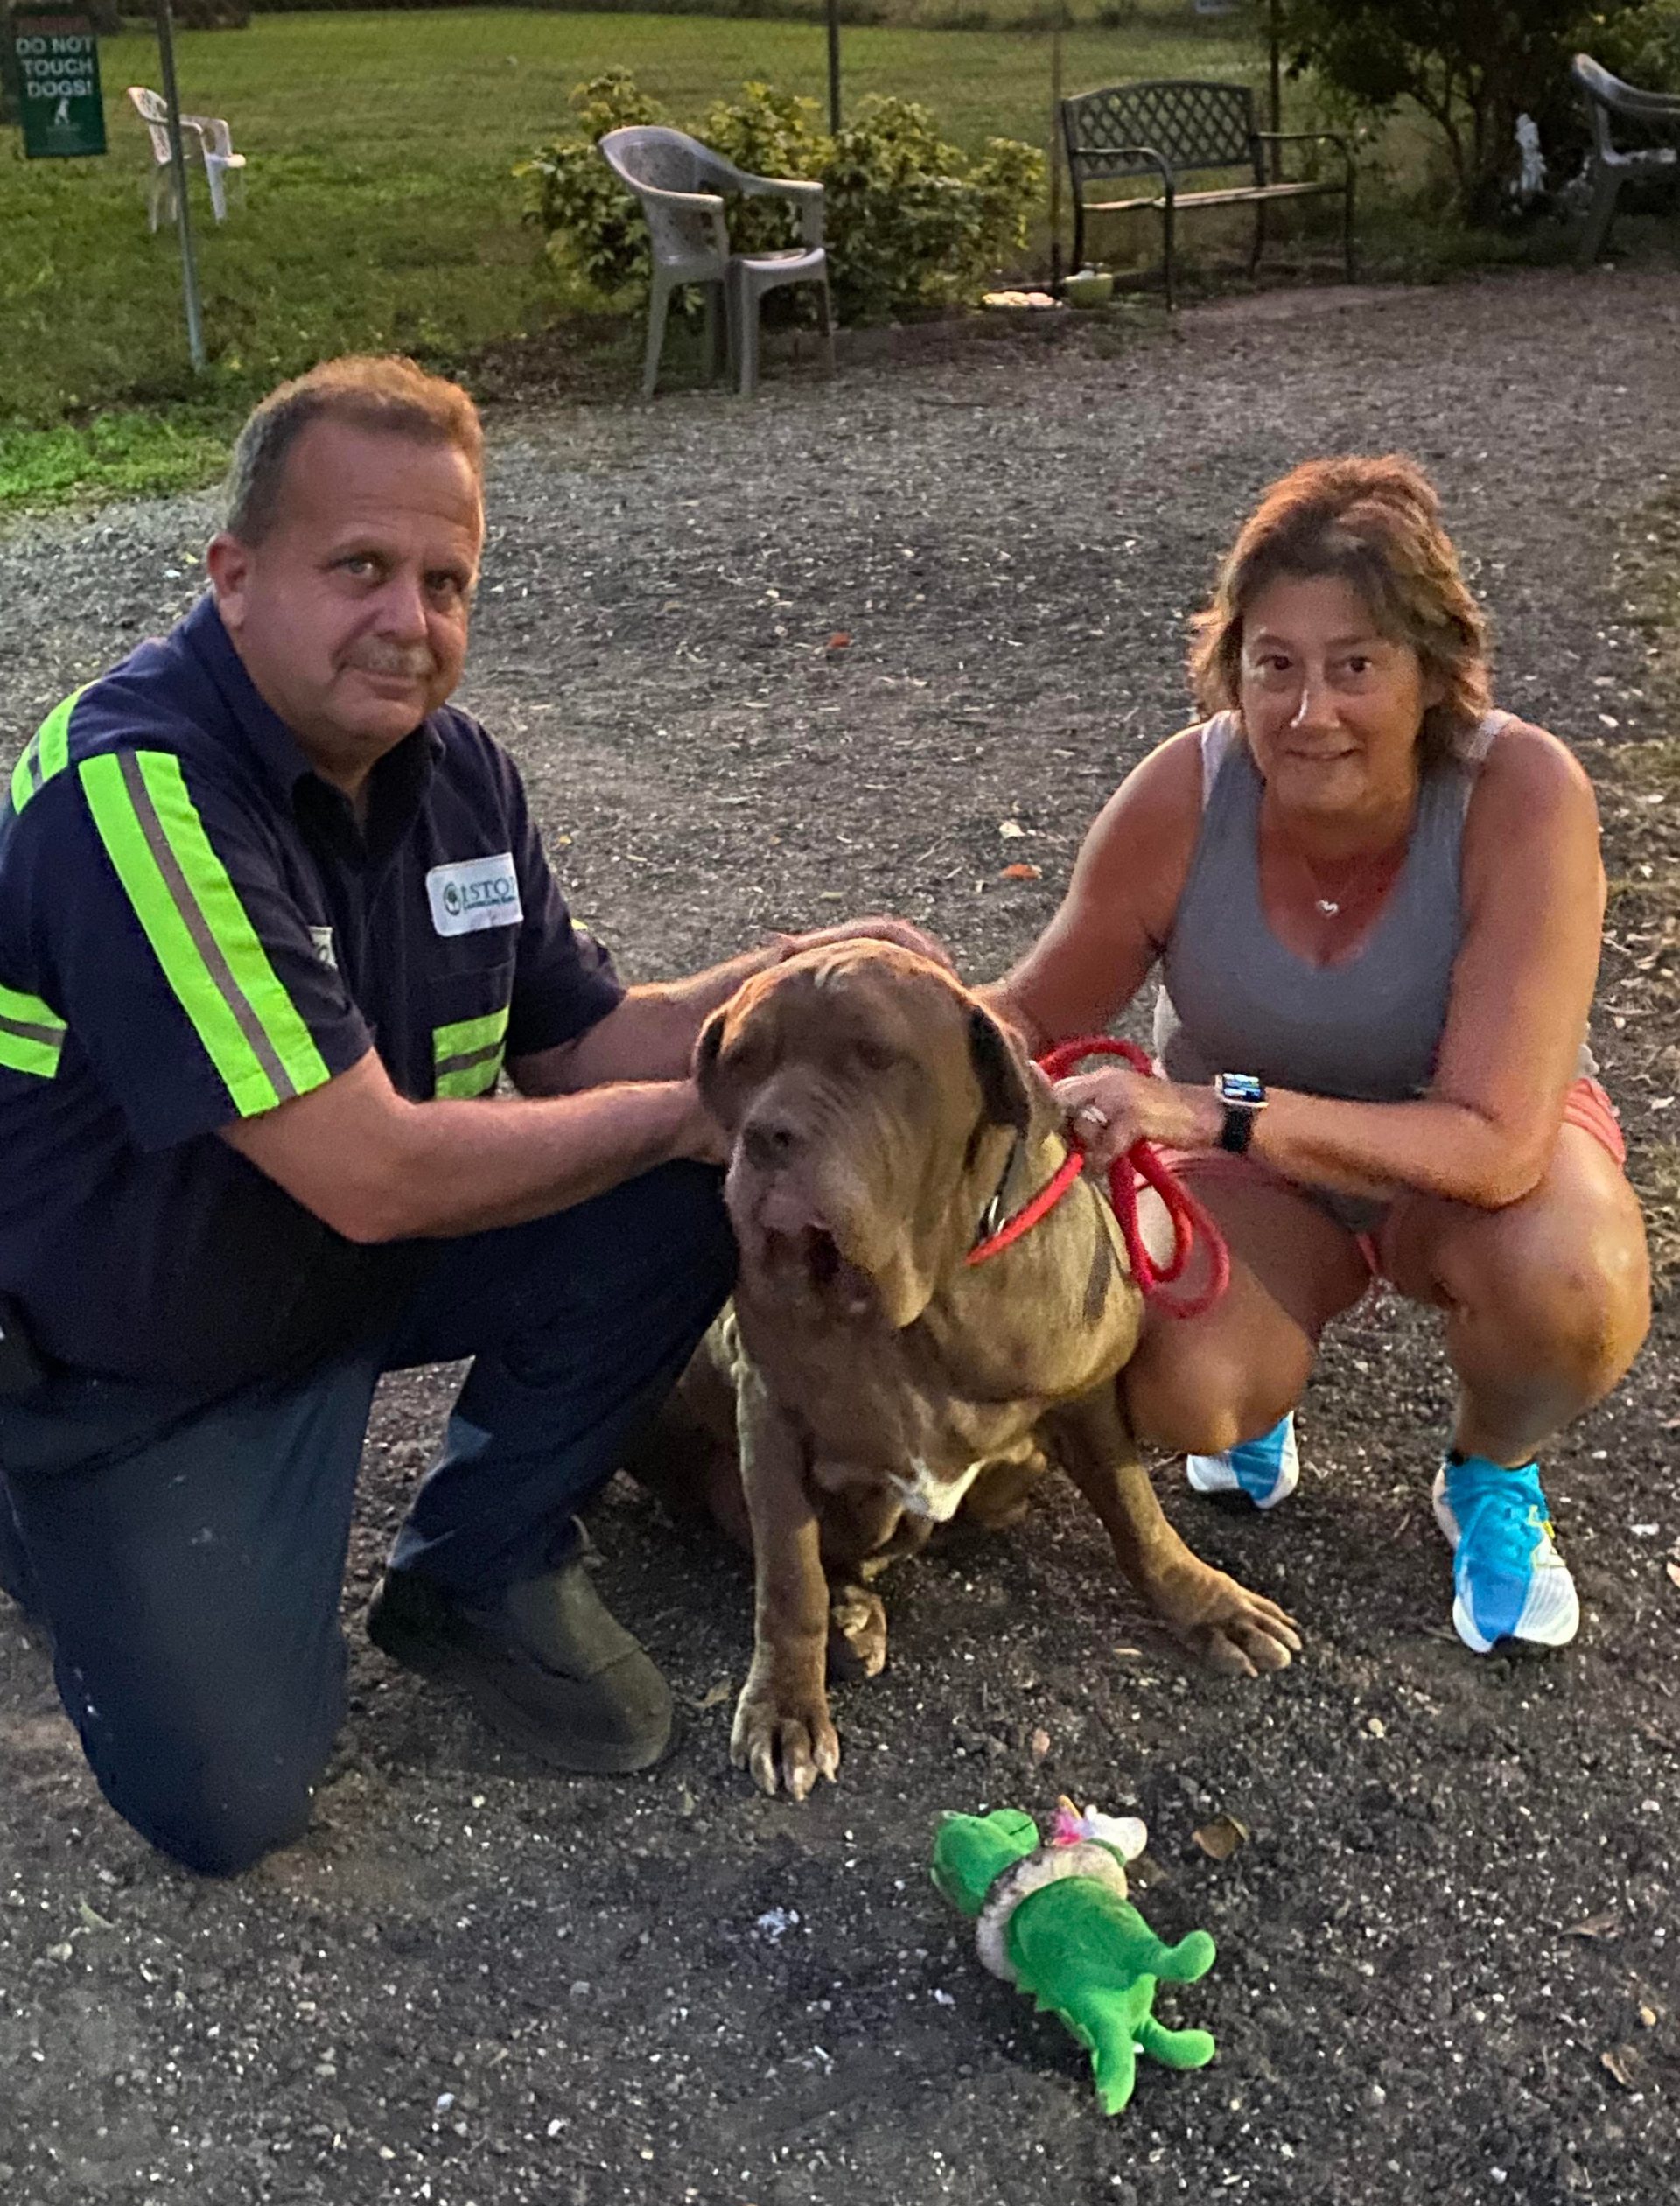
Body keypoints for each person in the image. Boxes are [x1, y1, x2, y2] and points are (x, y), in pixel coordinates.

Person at [0, 354, 936, 1876]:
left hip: (345, 1261)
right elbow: (372, 1171)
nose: (411, 619)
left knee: (680, 1192)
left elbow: (583, 1048)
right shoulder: (134, 792)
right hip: (138, 1350)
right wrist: (698, 1115)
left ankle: (481, 1563)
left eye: (447, 578)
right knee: (231, 1805)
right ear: (234, 577)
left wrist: (799, 987)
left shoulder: (461, 776)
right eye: (358, 567)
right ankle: (44, 1504)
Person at [990, 455, 1649, 1658]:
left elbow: (1498, 1145)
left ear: (1434, 671)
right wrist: (862, 1022)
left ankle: (1492, 1470)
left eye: (1356, 666)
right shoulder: (1183, 794)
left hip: (1462, 1166)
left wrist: (1211, 1111)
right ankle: (1256, 1382)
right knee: (1173, 1383)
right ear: (1230, 666)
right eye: (1274, 665)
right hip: (1263, 1181)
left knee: (1576, 1281)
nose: (1308, 710)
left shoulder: (1521, 791)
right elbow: (1031, 1013)